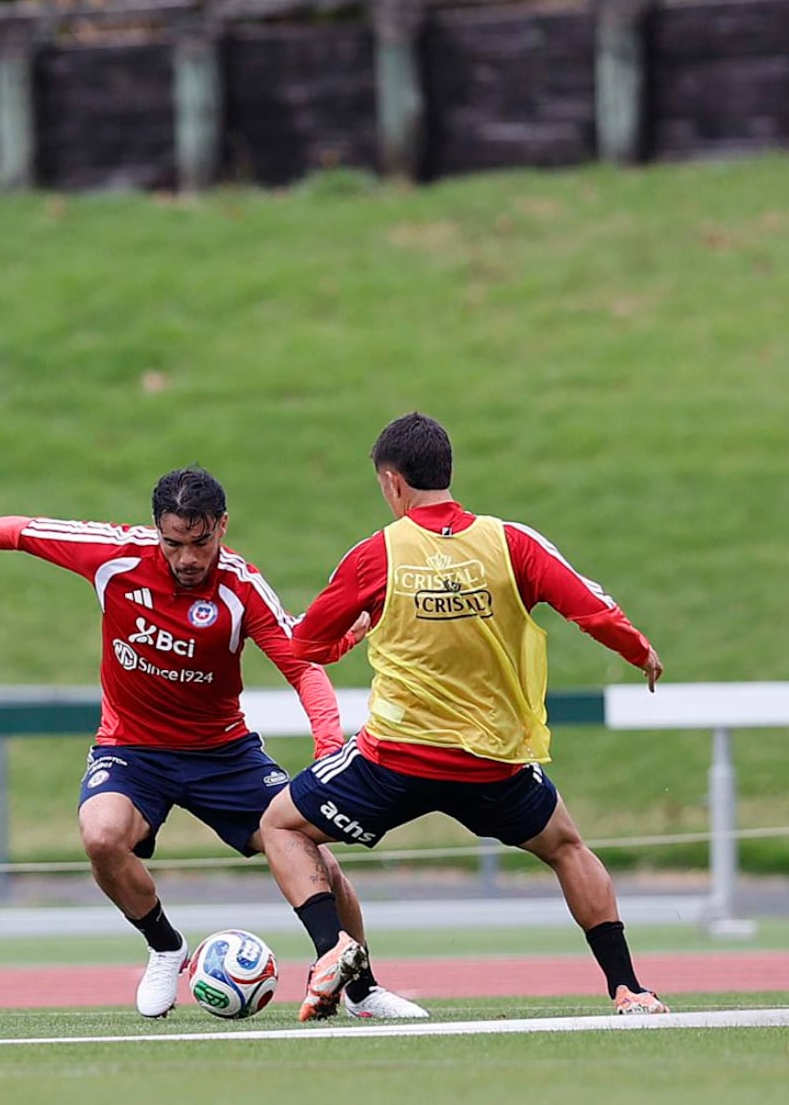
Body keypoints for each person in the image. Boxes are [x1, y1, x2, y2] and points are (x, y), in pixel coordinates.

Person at [0, 465, 425, 1021]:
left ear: (222, 527)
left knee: (313, 855)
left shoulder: (240, 586)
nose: (187, 558)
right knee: (101, 836)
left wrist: (327, 746)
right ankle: (164, 946)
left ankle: (363, 990)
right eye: (174, 542)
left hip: (222, 754)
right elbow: (20, 531)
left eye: (200, 542)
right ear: (157, 529)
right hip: (131, 751)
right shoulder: (114, 558)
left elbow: (302, 667)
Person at [259, 412, 670, 1022]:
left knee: (281, 826)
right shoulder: (511, 543)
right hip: (494, 766)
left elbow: (305, 646)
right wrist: (639, 649)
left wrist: (358, 632)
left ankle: (333, 947)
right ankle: (629, 988)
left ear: (393, 482)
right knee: (568, 849)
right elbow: (591, 606)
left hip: (393, 761)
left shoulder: (377, 554)